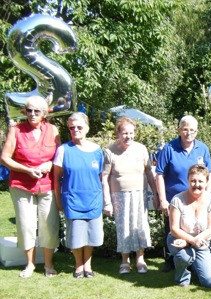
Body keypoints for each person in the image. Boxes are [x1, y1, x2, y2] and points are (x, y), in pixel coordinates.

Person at [1, 96, 60, 278]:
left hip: (47, 184)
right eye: (29, 110)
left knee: (48, 225)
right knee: (26, 225)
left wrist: (49, 165)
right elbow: (4, 158)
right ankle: (30, 264)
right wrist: (27, 170)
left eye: (37, 111)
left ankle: (49, 265)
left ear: (44, 113)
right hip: (21, 185)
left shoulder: (53, 130)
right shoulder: (16, 130)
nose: (32, 114)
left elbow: (59, 156)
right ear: (24, 112)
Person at [102, 117, 159, 275]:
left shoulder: (141, 149)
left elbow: (149, 172)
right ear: (118, 133)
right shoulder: (109, 151)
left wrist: (155, 194)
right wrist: (107, 202)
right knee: (124, 227)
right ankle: (125, 260)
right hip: (119, 195)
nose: (128, 136)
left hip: (139, 194)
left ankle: (140, 258)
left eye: (131, 133)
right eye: (125, 133)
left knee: (140, 225)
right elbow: (104, 178)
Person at [156, 115, 211, 271]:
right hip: (175, 201)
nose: (189, 133)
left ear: (197, 131)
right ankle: (172, 261)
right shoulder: (169, 148)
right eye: (185, 129)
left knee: (197, 229)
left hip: (198, 200)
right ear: (179, 130)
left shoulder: (203, 149)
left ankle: (196, 262)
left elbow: (210, 173)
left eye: (192, 130)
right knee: (172, 231)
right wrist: (162, 200)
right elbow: (159, 174)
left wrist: (210, 197)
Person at [53, 112, 104, 278]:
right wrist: (59, 200)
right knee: (76, 235)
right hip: (73, 199)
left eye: (79, 126)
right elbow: (56, 178)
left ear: (87, 128)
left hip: (93, 199)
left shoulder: (97, 151)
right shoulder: (63, 150)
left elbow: (100, 176)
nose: (75, 129)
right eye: (71, 127)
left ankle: (88, 265)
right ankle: (78, 266)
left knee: (91, 235)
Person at [166, 165, 211, 287]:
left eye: (200, 181)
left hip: (201, 241)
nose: (196, 184)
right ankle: (181, 278)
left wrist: (194, 242)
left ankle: (197, 265)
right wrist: (190, 241)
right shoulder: (177, 199)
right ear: (188, 181)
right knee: (184, 256)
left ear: (206, 182)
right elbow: (174, 229)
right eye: (193, 181)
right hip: (178, 239)